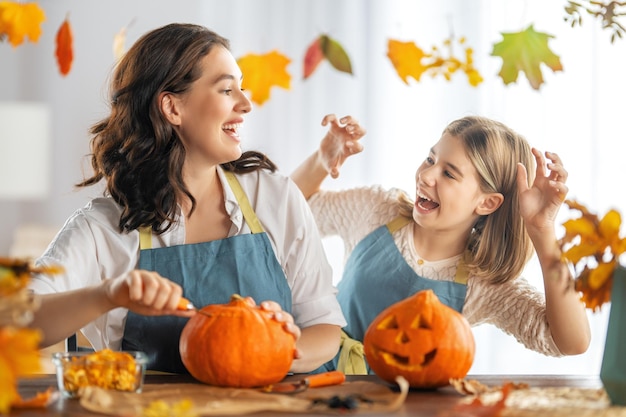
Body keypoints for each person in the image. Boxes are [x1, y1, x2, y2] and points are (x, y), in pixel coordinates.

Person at [28, 23, 346, 375]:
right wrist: (108, 294)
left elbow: (325, 328)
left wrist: (272, 349)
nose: (246, 103)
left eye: (242, 88)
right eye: (227, 89)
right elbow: (13, 321)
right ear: (172, 108)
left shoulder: (274, 196)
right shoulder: (103, 228)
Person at [291, 114, 591, 374]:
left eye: (449, 173)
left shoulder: (483, 285)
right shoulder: (377, 210)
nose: (426, 175)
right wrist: (322, 159)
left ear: (487, 202)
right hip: (318, 379)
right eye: (431, 159)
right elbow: (291, 214)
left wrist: (542, 231)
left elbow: (570, 341)